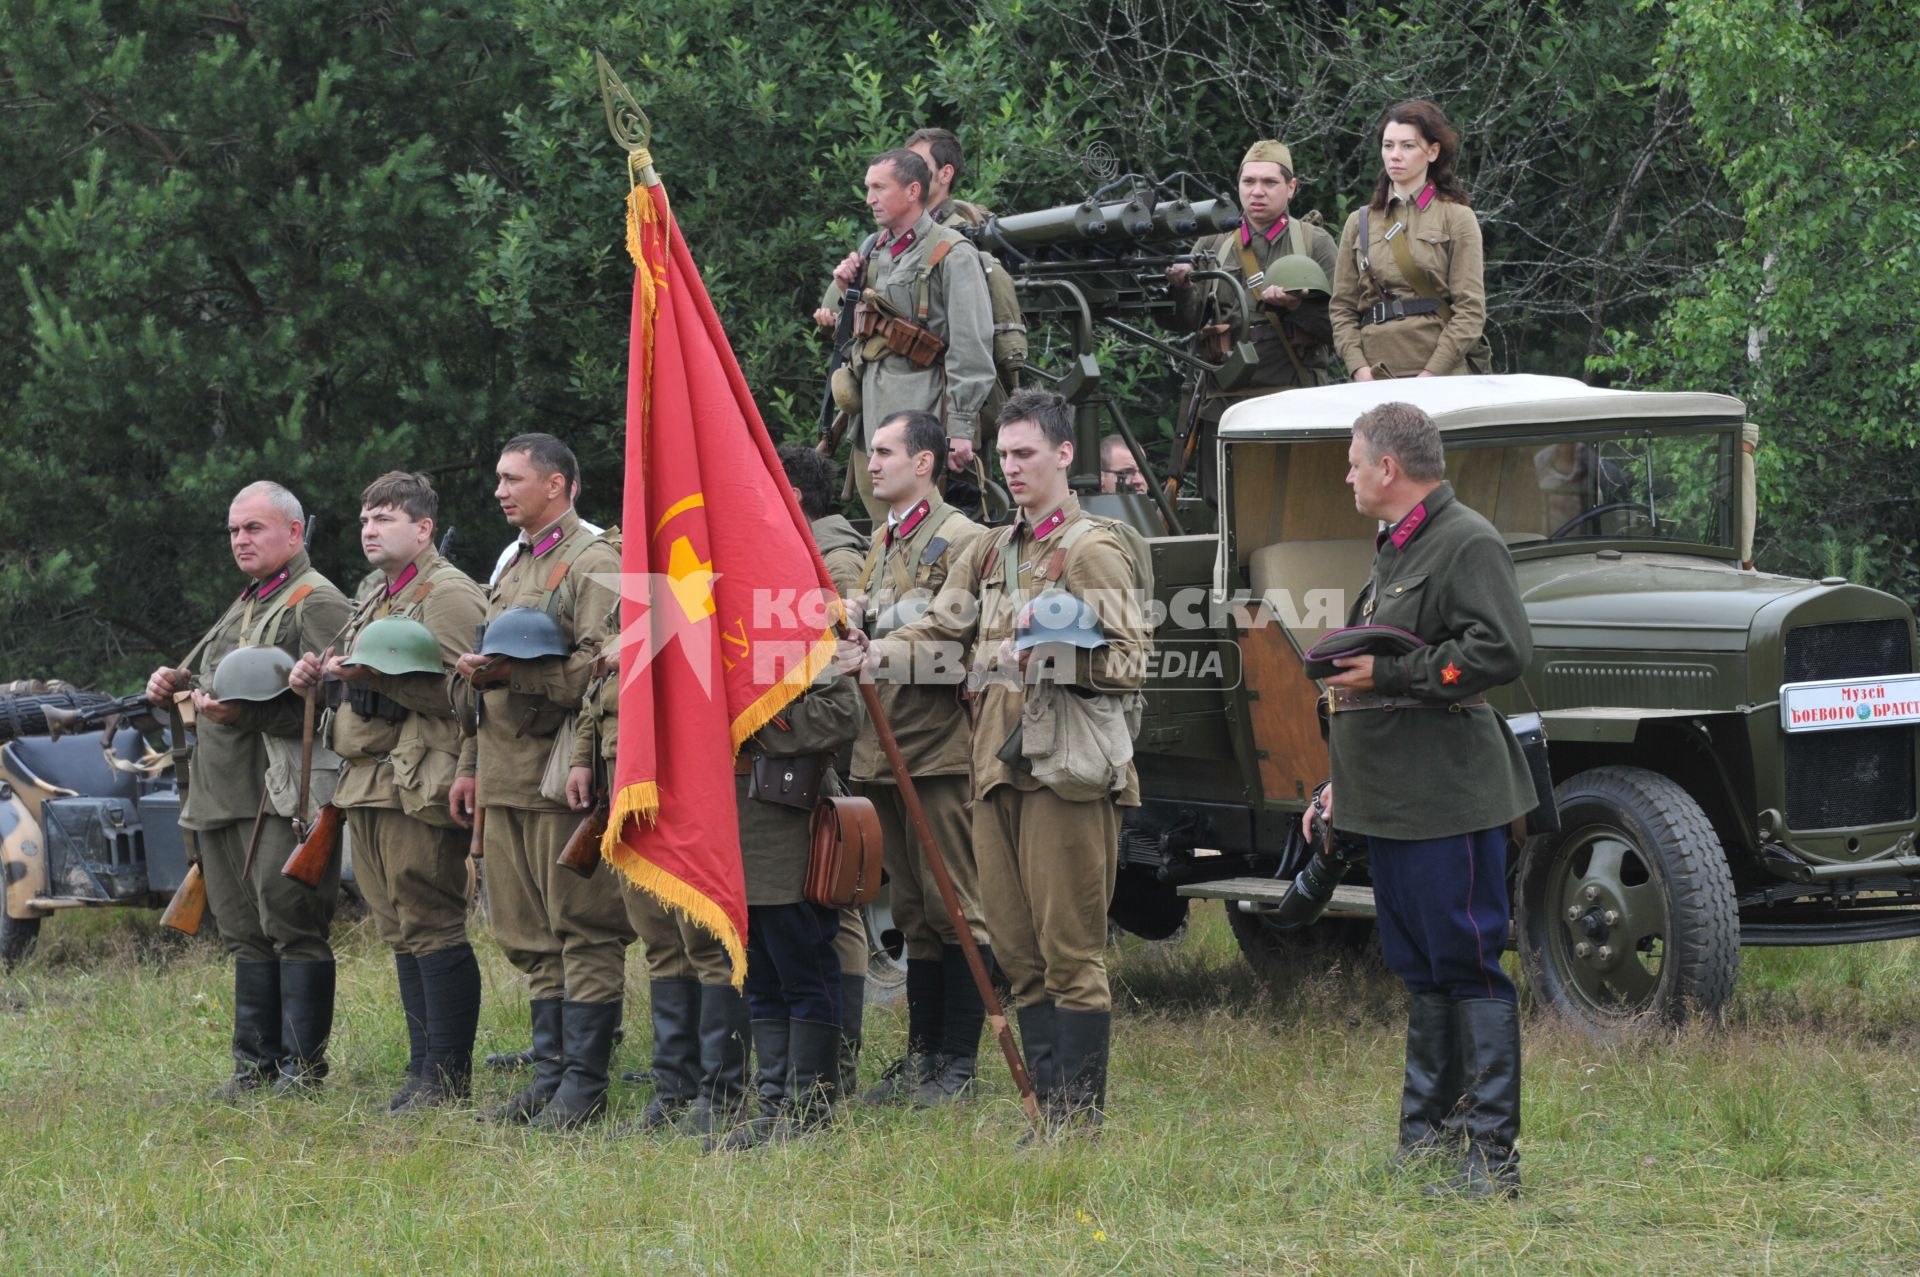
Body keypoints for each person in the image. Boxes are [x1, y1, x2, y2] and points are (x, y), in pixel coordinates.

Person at [843, 388, 1149, 1139]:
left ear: (1064, 455)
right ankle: (1047, 1113)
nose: (1012, 467)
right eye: (1004, 454)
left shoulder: (1092, 547)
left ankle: (1077, 1123)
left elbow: (1131, 660)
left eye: (1027, 454)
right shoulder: (1000, 549)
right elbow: (951, 631)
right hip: (996, 768)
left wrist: (1049, 656)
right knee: (1017, 952)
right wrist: (876, 646)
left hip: (1065, 773)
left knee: (1069, 952)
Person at [1309, 402, 1535, 1197]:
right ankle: (1428, 1142)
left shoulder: (1465, 539)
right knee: (1422, 971)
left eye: (1352, 460)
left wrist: (1394, 676)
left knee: (1469, 968)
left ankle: (1489, 1159)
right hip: (1394, 796)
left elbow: (1500, 649)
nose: (1346, 474)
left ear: (1388, 469)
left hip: (1449, 796)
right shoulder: (1398, 545)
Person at [448, 433, 635, 1130]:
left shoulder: (593, 560)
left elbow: (598, 667)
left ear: (556, 485)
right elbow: (483, 676)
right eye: (498, 477)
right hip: (504, 771)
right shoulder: (514, 563)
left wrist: (512, 675)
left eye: (512, 478)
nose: (499, 489)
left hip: (561, 773)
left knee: (582, 926)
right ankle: (550, 1075)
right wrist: (470, 768)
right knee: (528, 933)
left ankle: (583, 1086)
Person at [145, 481, 351, 1099]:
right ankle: (254, 1069)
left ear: (295, 533)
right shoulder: (246, 602)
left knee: (291, 924)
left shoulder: (314, 600)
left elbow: (340, 705)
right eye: (234, 530)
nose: (241, 540)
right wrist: (173, 682)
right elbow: (213, 680)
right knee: (242, 932)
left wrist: (247, 716)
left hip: (276, 793)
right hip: (221, 793)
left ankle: (300, 1071)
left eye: (254, 528)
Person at [288, 472, 487, 1112]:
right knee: (398, 927)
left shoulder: (448, 595)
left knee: (430, 921)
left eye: (386, 518)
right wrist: (316, 676)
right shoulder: (375, 592)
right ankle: (420, 1069)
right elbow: (356, 674)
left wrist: (379, 677)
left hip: (419, 776)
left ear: (423, 529)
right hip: (367, 781)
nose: (370, 530)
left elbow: (468, 695)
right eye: (365, 519)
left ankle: (447, 1078)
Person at [844, 410, 994, 1107]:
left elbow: (956, 633)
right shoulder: (882, 540)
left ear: (926, 462)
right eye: (870, 452)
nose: (871, 464)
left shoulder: (962, 538)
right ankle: (924, 1058)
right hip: (883, 744)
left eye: (884, 451)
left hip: (935, 747)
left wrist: (876, 644)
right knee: (912, 906)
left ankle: (957, 1062)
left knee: (954, 903)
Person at [568, 610, 749, 1137]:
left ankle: (722, 1095)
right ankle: (674, 1090)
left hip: (685, 785)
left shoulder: (699, 589)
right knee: (660, 943)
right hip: (626, 785)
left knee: (707, 943)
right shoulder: (628, 599)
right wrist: (583, 757)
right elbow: (595, 695)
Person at [715, 665, 862, 1150]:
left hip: (784, 826)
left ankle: (809, 1111)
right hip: (727, 825)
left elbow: (841, 714)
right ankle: (774, 1106)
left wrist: (751, 716)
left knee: (803, 971)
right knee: (759, 980)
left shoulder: (793, 634)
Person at [827, 148, 995, 524]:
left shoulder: (951, 252)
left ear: (912, 190)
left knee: (926, 531)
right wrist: (846, 291)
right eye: (868, 188)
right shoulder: (874, 248)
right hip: (871, 414)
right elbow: (855, 336)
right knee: (882, 530)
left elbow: (972, 346)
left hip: (923, 416)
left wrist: (961, 430)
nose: (869, 198)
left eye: (879, 188)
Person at [776, 442, 872, 1093]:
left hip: (835, 744)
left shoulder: (830, 555)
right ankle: (806, 1064)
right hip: (809, 745)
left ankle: (837, 1062)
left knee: (838, 900)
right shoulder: (804, 544)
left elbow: (831, 655)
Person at [1166, 139, 1339, 499]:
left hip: (1296, 401)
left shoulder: (1315, 243)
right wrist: (1181, 289)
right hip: (1225, 405)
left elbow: (1342, 327)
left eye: (1269, 183)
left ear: (1292, 188)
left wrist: (1296, 308)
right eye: (1249, 182)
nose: (1257, 192)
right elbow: (1189, 323)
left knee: (1298, 503)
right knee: (1225, 507)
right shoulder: (1213, 243)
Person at [1330, 101, 1490, 381]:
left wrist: (1431, 374)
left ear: (1432, 151)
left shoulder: (1456, 218)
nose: (1395, 156)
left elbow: (1470, 310)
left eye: (1407, 146)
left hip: (1440, 376)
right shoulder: (1360, 221)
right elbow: (1342, 308)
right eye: (1388, 145)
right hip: (1375, 376)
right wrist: (1359, 370)